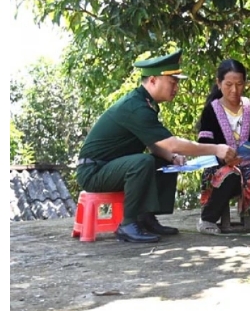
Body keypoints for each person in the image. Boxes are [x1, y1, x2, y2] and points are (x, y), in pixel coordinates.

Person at [76, 50, 236, 243]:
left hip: (110, 167)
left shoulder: (147, 104)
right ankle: (127, 225)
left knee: (162, 160)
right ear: (152, 80)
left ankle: (146, 217)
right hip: (94, 171)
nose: (176, 87)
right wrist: (216, 148)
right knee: (142, 162)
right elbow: (172, 143)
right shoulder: (136, 107)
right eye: (172, 82)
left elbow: (154, 143)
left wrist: (171, 157)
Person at [196, 59, 250, 234]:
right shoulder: (210, 111)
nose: (234, 90)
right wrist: (222, 156)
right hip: (220, 166)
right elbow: (204, 146)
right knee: (229, 175)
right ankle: (207, 219)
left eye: (239, 84)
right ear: (218, 83)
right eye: (228, 84)